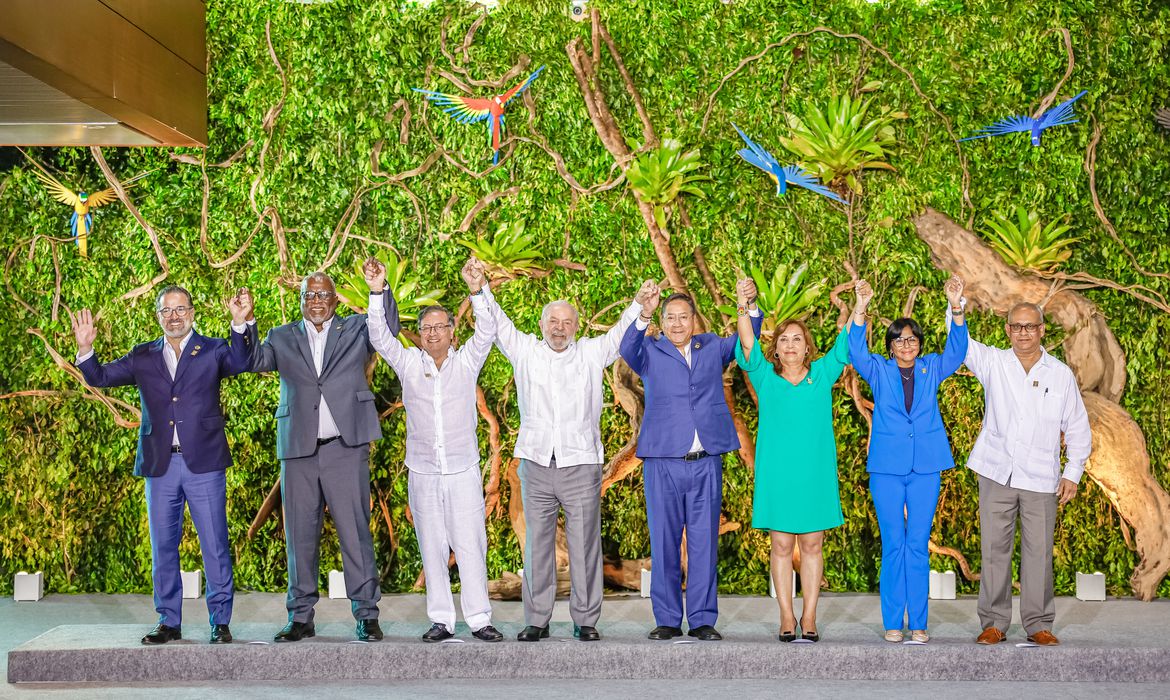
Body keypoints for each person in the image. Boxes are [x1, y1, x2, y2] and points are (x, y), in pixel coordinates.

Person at [72, 285, 256, 645]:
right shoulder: (143, 355)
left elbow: (243, 361)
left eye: (180, 309)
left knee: (215, 544)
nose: (174, 316)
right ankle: (168, 621)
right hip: (160, 466)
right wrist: (85, 349)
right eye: (166, 311)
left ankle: (220, 621)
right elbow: (100, 378)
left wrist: (239, 323)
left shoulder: (215, 349)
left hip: (204, 463)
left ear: (192, 313)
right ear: (158, 317)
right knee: (163, 547)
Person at [485, 278, 659, 642]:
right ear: (542, 325)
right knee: (537, 547)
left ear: (576, 328)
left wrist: (641, 307)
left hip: (580, 464)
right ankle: (537, 619)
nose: (559, 328)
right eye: (553, 321)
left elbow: (619, 334)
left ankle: (586, 620)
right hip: (535, 462)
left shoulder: (591, 352)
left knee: (584, 546)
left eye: (566, 322)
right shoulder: (525, 351)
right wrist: (479, 290)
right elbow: (498, 323)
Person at [249, 259, 399, 643]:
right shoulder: (281, 336)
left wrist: (378, 290)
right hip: (298, 452)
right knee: (299, 537)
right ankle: (300, 617)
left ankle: (366, 613)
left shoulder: (357, 329)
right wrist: (243, 324)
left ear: (335, 299)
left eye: (323, 294)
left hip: (345, 449)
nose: (316, 300)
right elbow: (253, 361)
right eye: (309, 294)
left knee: (355, 533)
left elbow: (389, 330)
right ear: (301, 300)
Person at [365, 258, 503, 643]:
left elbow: (488, 329)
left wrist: (477, 290)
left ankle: (479, 619)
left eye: (439, 327)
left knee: (471, 544)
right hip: (423, 472)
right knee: (432, 545)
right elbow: (379, 336)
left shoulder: (467, 361)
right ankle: (441, 619)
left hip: (462, 470)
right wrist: (377, 291)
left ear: (452, 331)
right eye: (426, 328)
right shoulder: (408, 363)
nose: (432, 334)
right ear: (420, 334)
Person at [620, 280, 762, 642]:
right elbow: (626, 345)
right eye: (671, 318)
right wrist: (643, 310)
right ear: (662, 321)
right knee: (664, 541)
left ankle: (701, 618)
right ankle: (667, 618)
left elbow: (749, 337)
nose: (678, 324)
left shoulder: (712, 346)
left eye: (684, 317)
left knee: (703, 543)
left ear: (694, 320)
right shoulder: (649, 351)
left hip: (705, 461)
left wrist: (748, 304)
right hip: (663, 462)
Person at [961, 301, 1092, 646]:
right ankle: (993, 623)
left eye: (1030, 326)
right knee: (993, 551)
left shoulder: (1060, 373)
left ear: (1042, 330)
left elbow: (1077, 425)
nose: (1023, 333)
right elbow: (959, 342)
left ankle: (1038, 624)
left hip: (1040, 477)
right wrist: (956, 306)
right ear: (1007, 330)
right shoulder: (993, 362)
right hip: (995, 472)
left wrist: (1073, 472)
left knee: (1038, 552)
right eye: (1017, 326)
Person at [848, 276, 967, 644]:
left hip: (926, 468)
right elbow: (855, 351)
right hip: (886, 469)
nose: (906, 344)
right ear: (890, 345)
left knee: (917, 543)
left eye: (912, 338)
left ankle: (918, 623)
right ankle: (892, 623)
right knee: (893, 544)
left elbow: (957, 351)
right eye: (899, 339)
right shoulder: (879, 370)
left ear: (919, 344)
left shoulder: (932, 367)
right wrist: (861, 307)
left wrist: (956, 306)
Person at [735, 311, 850, 643]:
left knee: (813, 544)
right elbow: (746, 340)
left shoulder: (823, 373)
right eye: (783, 339)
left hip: (814, 473)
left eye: (797, 339)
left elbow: (845, 345)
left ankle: (810, 616)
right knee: (781, 545)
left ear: (807, 347)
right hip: (778, 475)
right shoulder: (763, 376)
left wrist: (858, 307)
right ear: (775, 348)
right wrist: (743, 305)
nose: (790, 345)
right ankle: (786, 615)